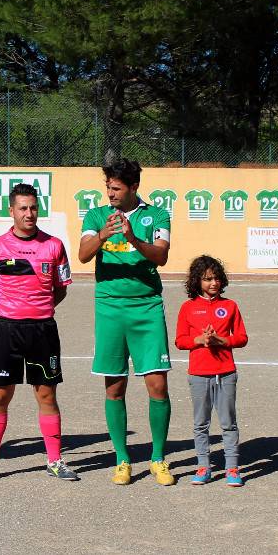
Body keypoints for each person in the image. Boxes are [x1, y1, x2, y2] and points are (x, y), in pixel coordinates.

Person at [78, 159, 175, 486]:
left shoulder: (158, 215)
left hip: (147, 306)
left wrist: (133, 238)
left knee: (157, 386)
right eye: (108, 187)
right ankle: (122, 459)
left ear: (133, 187)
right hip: (109, 307)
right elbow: (82, 254)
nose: (110, 193)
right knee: (115, 386)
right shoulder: (95, 215)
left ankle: (158, 459)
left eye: (116, 188)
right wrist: (105, 232)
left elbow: (161, 255)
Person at [0, 183, 77, 482]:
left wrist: (38, 310)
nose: (29, 214)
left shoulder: (54, 245)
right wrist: (5, 311)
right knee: (0, 394)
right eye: (23, 208)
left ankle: (55, 461)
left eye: (33, 208)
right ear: (11, 210)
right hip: (6, 330)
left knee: (46, 394)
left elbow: (60, 290)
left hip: (43, 330)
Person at [175, 255, 247, 487]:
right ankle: (203, 465)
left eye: (216, 278)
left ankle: (232, 468)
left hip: (225, 372)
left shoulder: (230, 306)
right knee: (201, 423)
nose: (213, 283)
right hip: (198, 373)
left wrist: (221, 340)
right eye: (207, 279)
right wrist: (199, 339)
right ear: (197, 281)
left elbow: (242, 338)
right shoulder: (188, 307)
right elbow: (180, 340)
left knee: (228, 423)